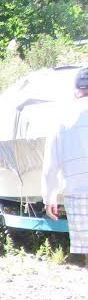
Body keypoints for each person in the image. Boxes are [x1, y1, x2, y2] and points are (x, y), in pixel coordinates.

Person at [41, 67, 88, 258]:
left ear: (76, 90)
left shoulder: (61, 116)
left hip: (77, 194)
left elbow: (51, 163)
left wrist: (49, 197)